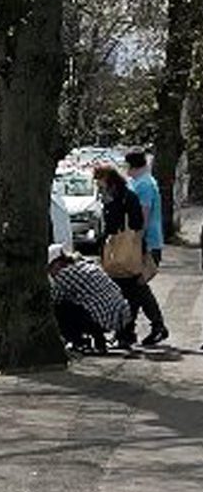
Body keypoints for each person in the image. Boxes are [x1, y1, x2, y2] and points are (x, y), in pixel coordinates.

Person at [48, 244, 132, 354]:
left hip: (102, 318)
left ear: (58, 263)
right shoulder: (86, 264)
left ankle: (79, 342)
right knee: (82, 303)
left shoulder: (64, 274)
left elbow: (53, 300)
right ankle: (99, 341)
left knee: (61, 309)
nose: (50, 273)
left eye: (50, 268)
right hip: (119, 315)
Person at [94, 164, 143, 348]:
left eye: (99, 179)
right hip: (118, 250)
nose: (98, 184)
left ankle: (126, 333)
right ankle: (124, 332)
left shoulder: (122, 197)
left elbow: (133, 222)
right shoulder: (117, 196)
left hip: (122, 249)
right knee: (125, 293)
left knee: (127, 293)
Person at [125, 151, 169, 345]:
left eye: (127, 167)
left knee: (138, 286)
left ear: (133, 166)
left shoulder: (144, 185)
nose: (126, 171)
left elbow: (143, 215)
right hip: (146, 241)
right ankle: (127, 330)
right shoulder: (141, 182)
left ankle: (157, 326)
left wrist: (136, 243)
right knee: (134, 287)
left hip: (147, 242)